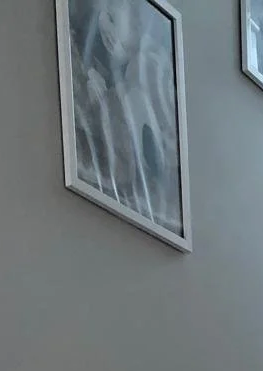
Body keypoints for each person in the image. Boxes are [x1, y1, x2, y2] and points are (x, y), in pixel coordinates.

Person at [70, 0, 182, 235]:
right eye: (109, 18)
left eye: (126, 44)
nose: (113, 39)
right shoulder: (86, 28)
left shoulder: (136, 73)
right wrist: (90, 71)